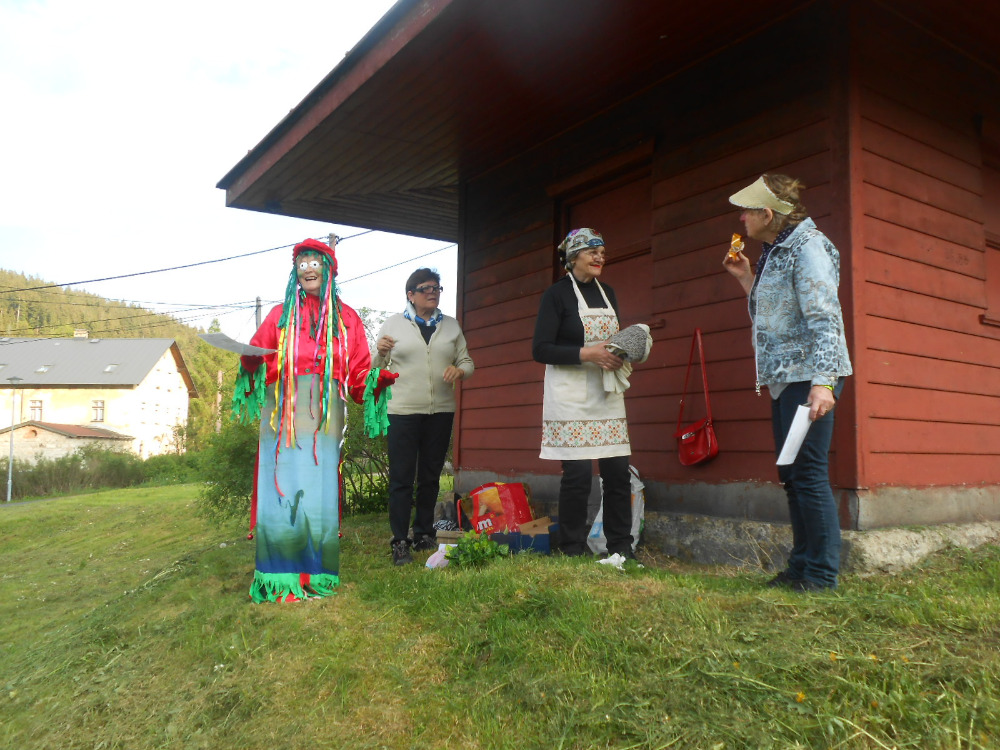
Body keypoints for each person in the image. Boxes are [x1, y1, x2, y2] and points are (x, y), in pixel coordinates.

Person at [723, 174, 853, 591]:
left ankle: (821, 575)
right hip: (785, 379)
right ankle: (800, 568)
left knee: (809, 474)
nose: (741, 217)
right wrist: (746, 279)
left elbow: (826, 317)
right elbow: (773, 315)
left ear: (767, 214)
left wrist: (824, 383)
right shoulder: (774, 251)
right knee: (791, 475)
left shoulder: (808, 247)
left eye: (748, 211)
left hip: (809, 376)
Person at [234, 237, 372, 602]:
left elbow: (359, 374)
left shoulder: (347, 319)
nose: (308, 267)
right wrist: (249, 362)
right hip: (282, 415)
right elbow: (255, 355)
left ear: (329, 270)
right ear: (295, 271)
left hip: (324, 418)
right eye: (302, 262)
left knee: (318, 493)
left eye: (315, 261)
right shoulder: (279, 315)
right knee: (280, 489)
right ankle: (278, 576)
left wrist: (376, 382)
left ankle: (316, 573)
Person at [532, 228, 635, 558]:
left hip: (606, 393)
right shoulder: (556, 295)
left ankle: (621, 549)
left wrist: (628, 349)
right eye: (592, 251)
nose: (599, 256)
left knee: (617, 474)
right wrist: (588, 353)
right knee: (577, 476)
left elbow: (613, 340)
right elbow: (541, 349)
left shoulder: (609, 293)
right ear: (573, 257)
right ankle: (573, 550)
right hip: (571, 396)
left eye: (602, 251)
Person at [372, 268, 474, 566]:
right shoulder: (393, 324)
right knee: (402, 478)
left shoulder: (452, 327)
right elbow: (376, 368)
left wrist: (460, 370)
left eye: (437, 287)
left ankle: (424, 534)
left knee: (430, 478)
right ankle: (400, 541)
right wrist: (379, 352)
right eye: (426, 287)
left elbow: (467, 361)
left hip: (440, 411)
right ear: (411, 294)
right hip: (402, 411)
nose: (433, 292)